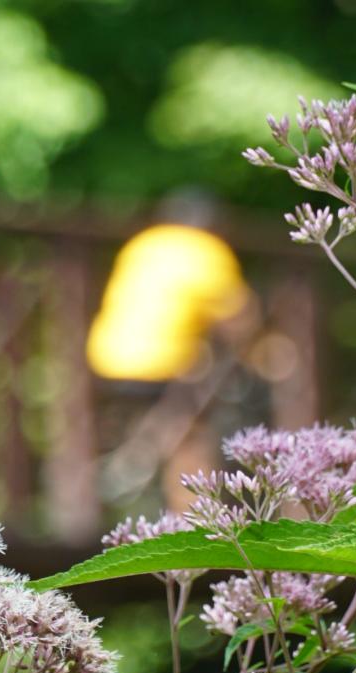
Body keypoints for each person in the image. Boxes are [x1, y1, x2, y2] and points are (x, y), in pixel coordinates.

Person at [86, 196, 257, 509]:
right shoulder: (206, 249)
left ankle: (109, 490)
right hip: (163, 364)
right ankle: (193, 524)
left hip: (109, 358)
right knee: (193, 436)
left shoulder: (141, 245)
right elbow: (239, 319)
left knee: (152, 425)